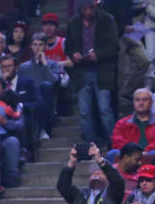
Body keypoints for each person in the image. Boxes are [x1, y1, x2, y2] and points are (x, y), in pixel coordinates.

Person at [65, 0, 118, 147]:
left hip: (102, 70)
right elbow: (68, 46)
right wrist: (73, 54)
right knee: (84, 113)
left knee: (105, 109)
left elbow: (114, 46)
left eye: (90, 8)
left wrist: (99, 55)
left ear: (95, 7)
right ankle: (90, 145)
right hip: (81, 71)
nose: (88, 12)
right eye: (85, 9)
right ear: (80, 9)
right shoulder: (73, 23)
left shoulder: (107, 20)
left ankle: (115, 144)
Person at [58, 143, 126, 204]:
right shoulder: (81, 195)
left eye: (100, 172)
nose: (96, 173)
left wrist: (99, 160)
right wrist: (72, 161)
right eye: (93, 173)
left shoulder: (112, 195)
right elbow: (63, 186)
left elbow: (118, 181)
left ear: (108, 178)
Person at [109, 88, 155, 161]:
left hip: (151, 155)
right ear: (133, 102)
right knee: (113, 153)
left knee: (154, 153)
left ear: (151, 102)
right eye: (137, 100)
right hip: (128, 157)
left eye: (145, 100)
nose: (141, 103)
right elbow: (117, 140)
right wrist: (132, 152)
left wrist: (146, 150)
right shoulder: (122, 123)